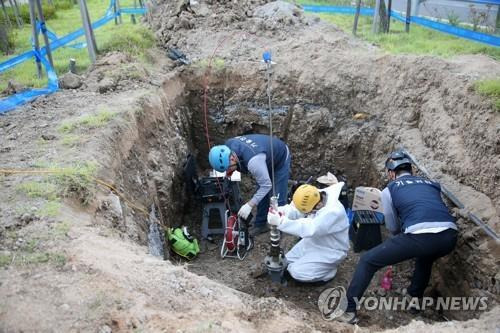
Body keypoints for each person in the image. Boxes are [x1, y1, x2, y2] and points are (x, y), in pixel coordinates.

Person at [338, 150, 458, 324]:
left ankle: (348, 311)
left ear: (391, 173)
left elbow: (393, 226)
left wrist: (399, 244)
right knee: (426, 258)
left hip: (421, 237)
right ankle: (413, 299)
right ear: (411, 171)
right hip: (449, 236)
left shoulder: (390, 190)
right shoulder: (432, 184)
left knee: (368, 261)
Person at [208, 134, 291, 235]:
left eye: (228, 168)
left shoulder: (253, 162)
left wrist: (249, 205)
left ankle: (279, 231)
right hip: (264, 156)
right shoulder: (228, 145)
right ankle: (260, 225)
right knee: (260, 193)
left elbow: (266, 185)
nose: (227, 171)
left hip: (280, 158)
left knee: (277, 198)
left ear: (232, 159)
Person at [267, 182, 350, 283]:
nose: (308, 214)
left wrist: (281, 222)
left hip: (331, 250)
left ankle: (328, 272)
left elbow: (309, 228)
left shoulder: (333, 212)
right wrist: (280, 212)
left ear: (318, 205)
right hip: (313, 242)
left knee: (296, 272)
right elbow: (295, 209)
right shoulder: (314, 195)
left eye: (309, 212)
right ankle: (317, 266)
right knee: (287, 261)